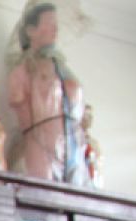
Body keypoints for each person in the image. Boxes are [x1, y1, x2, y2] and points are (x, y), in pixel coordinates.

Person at [6, 1, 86, 184]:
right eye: (49, 22)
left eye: (55, 23)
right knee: (43, 192)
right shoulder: (24, 70)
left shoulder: (62, 68)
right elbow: (17, 99)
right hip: (40, 146)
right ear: (30, 30)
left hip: (72, 145)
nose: (55, 28)